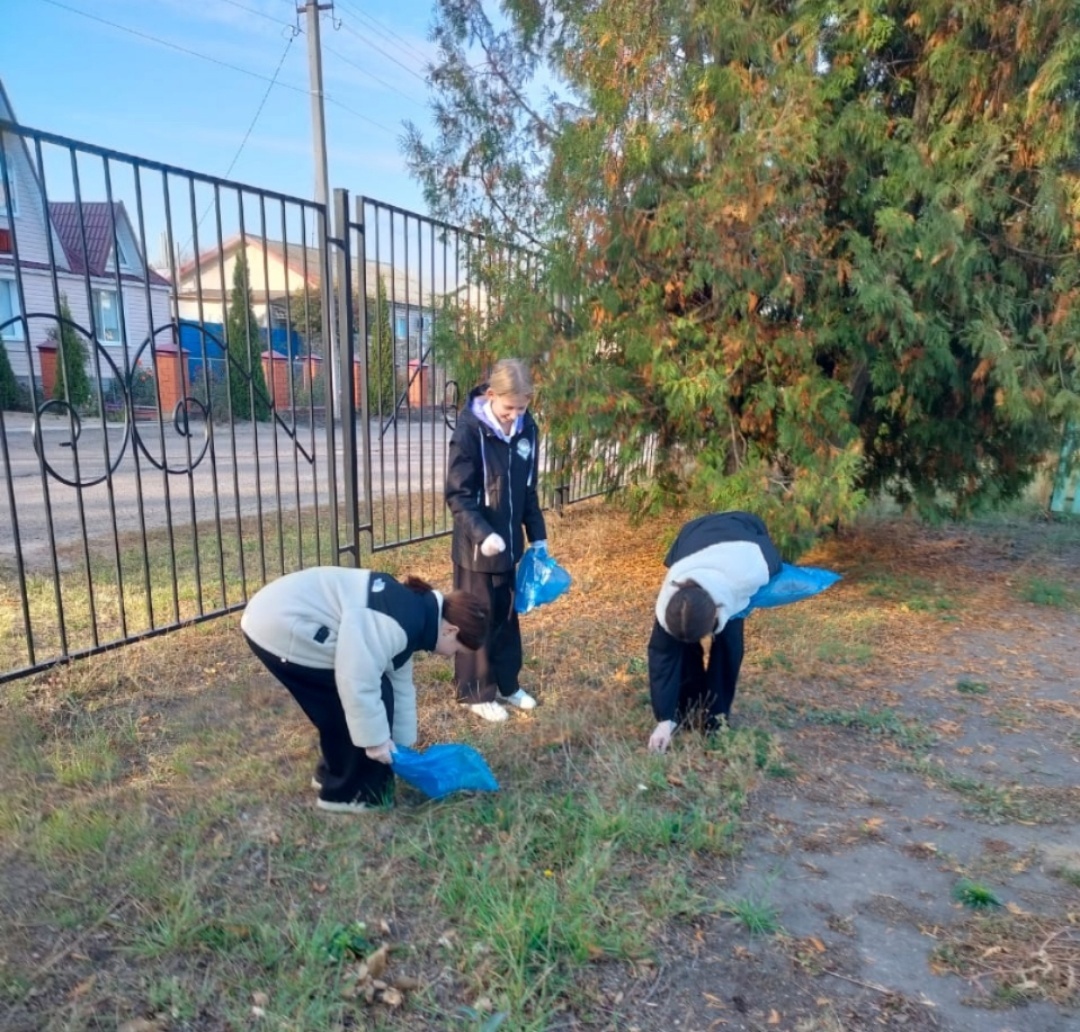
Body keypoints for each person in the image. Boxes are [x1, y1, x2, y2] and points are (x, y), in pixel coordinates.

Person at [241, 568, 489, 813]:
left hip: (278, 613)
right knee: (359, 699)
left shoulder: (416, 614)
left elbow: (400, 684)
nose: (450, 656)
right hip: (279, 624)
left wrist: (402, 748)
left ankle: (334, 772)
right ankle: (353, 795)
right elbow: (357, 679)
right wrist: (376, 742)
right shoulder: (401, 622)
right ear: (450, 631)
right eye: (457, 651)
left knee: (364, 701)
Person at [445, 358, 547, 723]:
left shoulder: (526, 429)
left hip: (509, 549)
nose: (514, 415)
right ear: (492, 396)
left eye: (522, 408)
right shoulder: (470, 430)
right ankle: (475, 692)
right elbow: (458, 494)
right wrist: (482, 534)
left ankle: (506, 684)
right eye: (509, 408)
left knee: (507, 617)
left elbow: (528, 489)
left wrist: (538, 539)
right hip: (477, 549)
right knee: (477, 620)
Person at [647, 511, 782, 753]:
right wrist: (663, 721)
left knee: (729, 648)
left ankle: (715, 719)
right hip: (692, 535)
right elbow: (663, 659)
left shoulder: (752, 572)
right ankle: (684, 707)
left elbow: (772, 555)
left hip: (743, 530)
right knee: (681, 640)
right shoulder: (671, 595)